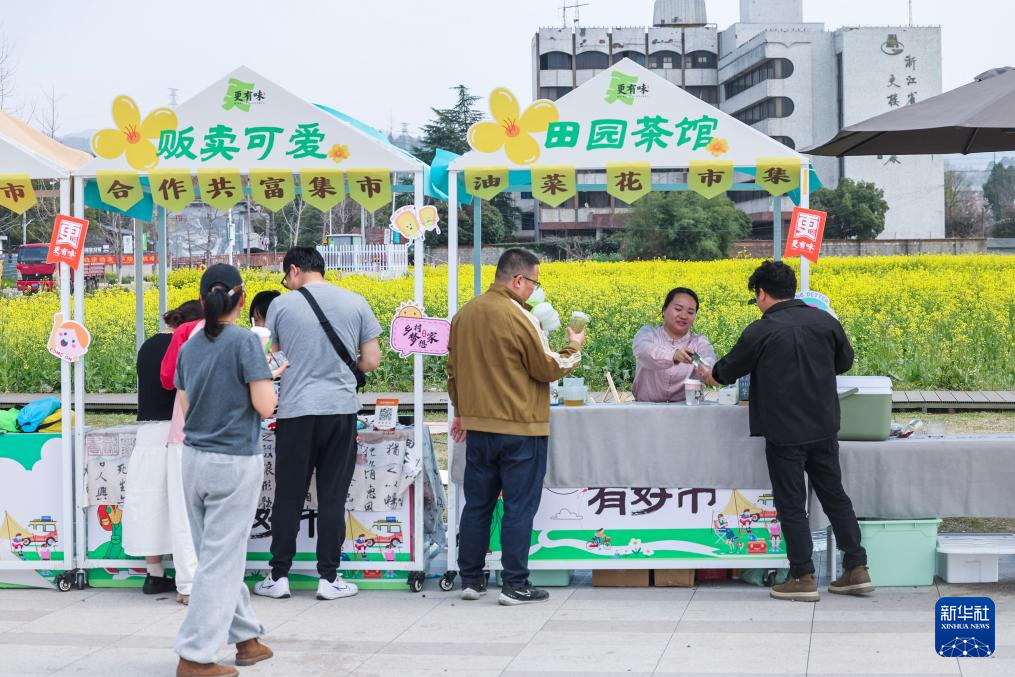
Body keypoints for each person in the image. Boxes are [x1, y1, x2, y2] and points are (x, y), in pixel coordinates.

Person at [702, 260, 871, 602]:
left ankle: (802, 576)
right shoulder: (825, 321)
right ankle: (857, 569)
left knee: (792, 503)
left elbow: (726, 372)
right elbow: (844, 362)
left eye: (757, 297)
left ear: (761, 293)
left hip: (784, 432)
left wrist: (710, 374)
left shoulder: (761, 330)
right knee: (835, 496)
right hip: (824, 426)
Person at [448, 248, 585, 605]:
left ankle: (472, 580)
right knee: (519, 507)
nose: (534, 292)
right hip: (521, 428)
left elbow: (452, 373)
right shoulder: (521, 316)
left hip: (479, 428)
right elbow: (546, 367)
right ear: (518, 279)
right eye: (534, 283)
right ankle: (515, 584)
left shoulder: (464, 314)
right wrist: (572, 347)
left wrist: (463, 412)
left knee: (477, 504)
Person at [254, 247, 382, 601]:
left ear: (294, 270)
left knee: (289, 495)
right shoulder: (355, 301)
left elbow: (273, 359)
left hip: (296, 413)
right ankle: (329, 578)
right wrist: (344, 368)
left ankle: (278, 575)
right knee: (332, 496)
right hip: (340, 411)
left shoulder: (281, 305)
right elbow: (371, 359)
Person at [173, 264, 276, 677]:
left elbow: (183, 404)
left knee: (217, 556)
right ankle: (194, 656)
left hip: (194, 460)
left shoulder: (189, 346)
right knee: (221, 561)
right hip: (234, 461)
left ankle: (246, 639)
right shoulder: (246, 342)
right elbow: (266, 406)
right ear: (240, 296)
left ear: (201, 300)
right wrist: (271, 375)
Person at [125, 300, 202, 603]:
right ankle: (190, 574)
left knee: (149, 503)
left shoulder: (148, 345)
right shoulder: (188, 346)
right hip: (175, 432)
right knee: (182, 506)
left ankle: (153, 573)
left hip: (147, 431)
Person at [631, 287, 716, 402]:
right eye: (678, 309)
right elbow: (644, 352)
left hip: (688, 411)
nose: (683, 316)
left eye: (690, 312)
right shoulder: (647, 333)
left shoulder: (699, 342)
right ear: (664, 310)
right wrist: (674, 355)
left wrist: (708, 371)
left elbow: (709, 360)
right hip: (647, 410)